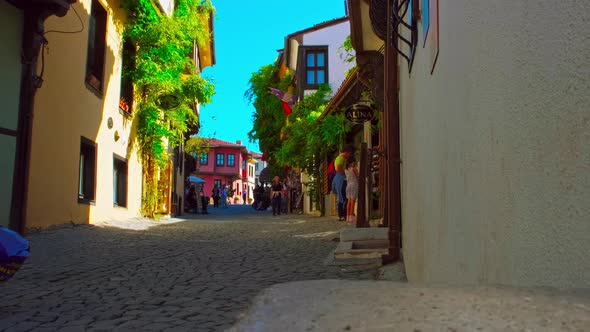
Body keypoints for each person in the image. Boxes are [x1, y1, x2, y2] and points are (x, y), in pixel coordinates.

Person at [331, 145, 353, 221]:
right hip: (341, 178)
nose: (349, 155)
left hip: (339, 178)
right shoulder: (340, 158)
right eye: (349, 153)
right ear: (346, 152)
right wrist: (346, 173)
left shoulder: (340, 158)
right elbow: (338, 167)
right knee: (343, 197)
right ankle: (342, 215)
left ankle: (342, 215)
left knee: (341, 197)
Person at [345, 157, 359, 223]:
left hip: (348, 185)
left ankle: (347, 217)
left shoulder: (346, 170)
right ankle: (351, 217)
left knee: (349, 202)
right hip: (354, 185)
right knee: (353, 201)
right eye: (353, 162)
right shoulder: (354, 169)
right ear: (351, 162)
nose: (354, 163)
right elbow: (358, 176)